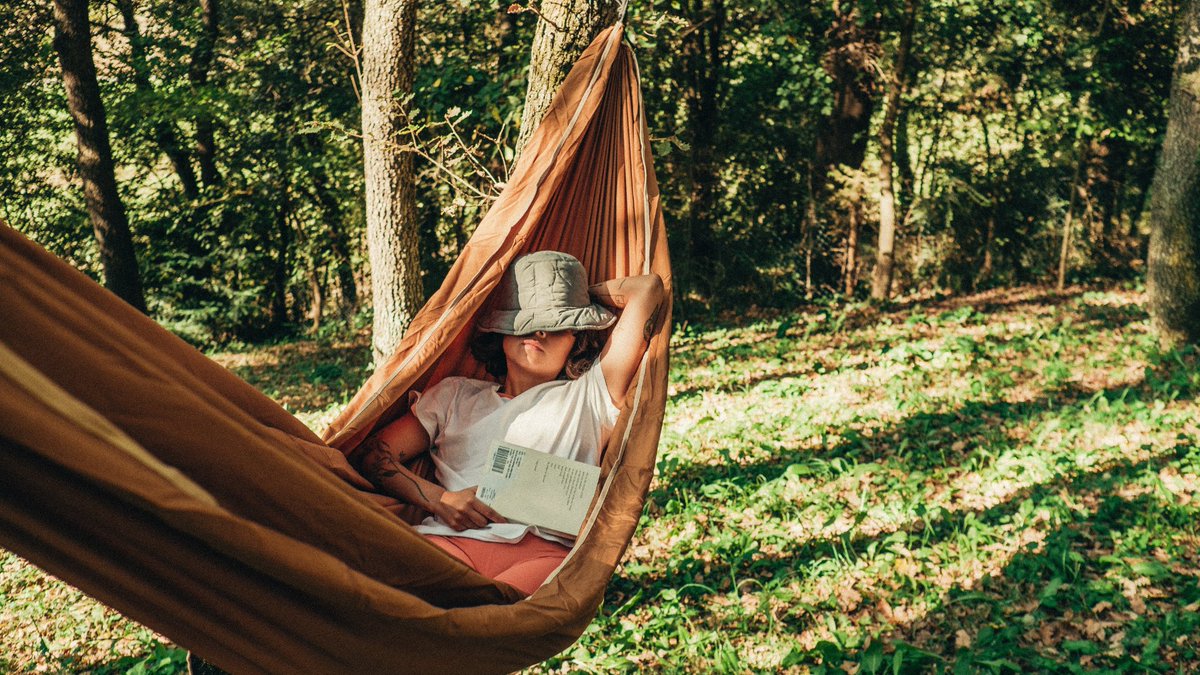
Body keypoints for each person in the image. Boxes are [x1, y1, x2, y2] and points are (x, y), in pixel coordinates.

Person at [359, 250, 665, 595]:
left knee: (489, 617)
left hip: (544, 556)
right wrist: (439, 500)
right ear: (501, 333)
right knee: (386, 591)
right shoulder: (455, 396)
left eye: (557, 324)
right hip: (451, 542)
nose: (539, 331)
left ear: (576, 340)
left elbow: (648, 289)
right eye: (526, 319)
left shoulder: (591, 394)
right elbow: (374, 454)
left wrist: (574, 295)